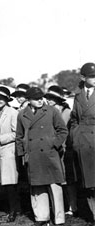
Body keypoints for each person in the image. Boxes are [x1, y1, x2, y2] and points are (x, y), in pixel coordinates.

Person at [16, 87, 68, 226]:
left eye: (41, 98)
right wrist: (22, 154)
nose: (40, 101)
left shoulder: (51, 111)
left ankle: (59, 218)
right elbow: (19, 137)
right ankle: (41, 216)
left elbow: (63, 131)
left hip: (50, 153)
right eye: (36, 99)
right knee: (37, 187)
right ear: (29, 100)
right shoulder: (22, 114)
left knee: (54, 186)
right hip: (32, 155)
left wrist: (54, 144)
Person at [45, 85, 78, 217]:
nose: (49, 100)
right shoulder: (47, 111)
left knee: (68, 179)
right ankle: (59, 205)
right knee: (57, 179)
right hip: (52, 150)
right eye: (48, 98)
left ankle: (72, 205)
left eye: (52, 98)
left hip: (65, 150)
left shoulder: (67, 113)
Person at [0, 87, 20, 222]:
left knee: (10, 182)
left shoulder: (12, 112)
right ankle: (12, 208)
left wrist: (0, 138)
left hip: (9, 150)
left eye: (1, 98)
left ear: (7, 99)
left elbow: (16, 133)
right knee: (5, 182)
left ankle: (14, 210)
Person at [69, 62, 95, 226]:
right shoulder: (78, 96)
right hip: (83, 143)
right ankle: (94, 217)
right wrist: (75, 135)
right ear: (83, 78)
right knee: (90, 182)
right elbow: (73, 119)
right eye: (92, 76)